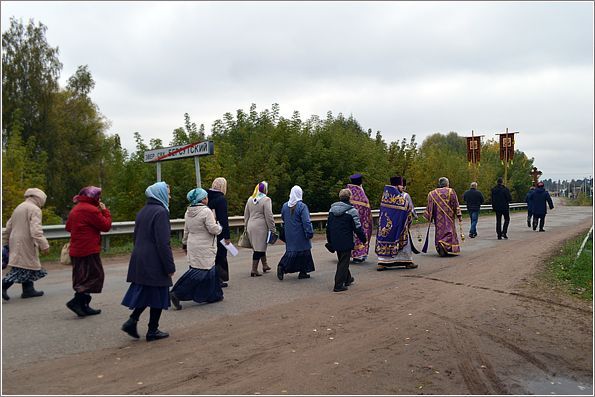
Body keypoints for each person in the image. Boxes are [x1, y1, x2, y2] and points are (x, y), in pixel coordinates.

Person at [121, 182, 176, 342]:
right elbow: (163, 242)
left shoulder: (143, 211)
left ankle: (132, 320)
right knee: (159, 293)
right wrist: (169, 265)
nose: (170, 196)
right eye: (168, 193)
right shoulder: (161, 212)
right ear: (160, 194)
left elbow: (136, 236)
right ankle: (152, 330)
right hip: (154, 259)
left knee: (147, 291)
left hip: (140, 256)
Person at [169, 188, 223, 310]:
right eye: (206, 197)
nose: (207, 199)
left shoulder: (188, 212)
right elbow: (212, 229)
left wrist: (184, 243)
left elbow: (186, 230)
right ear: (203, 199)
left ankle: (214, 295)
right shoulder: (206, 211)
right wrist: (219, 227)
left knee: (209, 270)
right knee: (201, 271)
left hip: (193, 243)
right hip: (205, 245)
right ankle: (177, 293)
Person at [64, 186, 112, 317]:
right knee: (95, 276)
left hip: (77, 249)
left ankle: (84, 306)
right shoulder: (91, 210)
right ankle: (76, 301)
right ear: (93, 197)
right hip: (89, 249)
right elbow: (106, 226)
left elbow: (68, 227)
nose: (99, 199)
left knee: (82, 277)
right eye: (98, 196)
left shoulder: (76, 208)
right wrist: (105, 211)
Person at [2, 188, 50, 301]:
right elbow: (36, 230)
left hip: (15, 240)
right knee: (22, 267)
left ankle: (28, 289)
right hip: (26, 241)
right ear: (40, 198)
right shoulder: (35, 209)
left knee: (27, 265)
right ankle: (3, 286)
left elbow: (8, 226)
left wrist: (5, 242)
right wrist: (44, 244)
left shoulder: (19, 207)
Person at [326, 189, 367, 292]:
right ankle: (338, 285)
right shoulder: (352, 211)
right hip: (346, 239)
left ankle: (348, 279)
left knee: (342, 260)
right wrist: (363, 239)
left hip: (335, 239)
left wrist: (330, 241)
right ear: (350, 197)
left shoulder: (332, 210)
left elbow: (328, 227)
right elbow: (357, 227)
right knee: (344, 262)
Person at [376, 176, 419, 269]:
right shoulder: (404, 196)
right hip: (400, 226)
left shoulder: (385, 195)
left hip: (386, 225)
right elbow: (410, 209)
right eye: (401, 185)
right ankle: (407, 262)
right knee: (404, 242)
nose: (402, 187)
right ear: (397, 185)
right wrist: (414, 216)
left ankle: (383, 262)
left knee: (385, 240)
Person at [277, 185, 315, 280]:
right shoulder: (302, 206)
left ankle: (302, 272)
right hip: (300, 234)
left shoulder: (285, 206)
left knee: (292, 251)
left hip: (289, 233)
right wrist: (309, 232)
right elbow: (306, 221)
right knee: (303, 251)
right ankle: (282, 266)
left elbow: (283, 217)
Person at [423, 177, 463, 256]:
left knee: (439, 232)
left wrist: (429, 217)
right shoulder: (450, 191)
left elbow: (429, 207)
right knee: (449, 231)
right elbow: (455, 204)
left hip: (438, 218)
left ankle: (440, 244)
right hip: (449, 216)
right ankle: (444, 244)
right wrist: (459, 214)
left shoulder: (432, 193)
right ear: (447, 184)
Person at [244, 181, 276, 277]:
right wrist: (272, 228)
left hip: (251, 225)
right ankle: (254, 269)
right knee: (259, 249)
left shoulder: (250, 199)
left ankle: (265, 265)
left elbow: (246, 214)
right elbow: (269, 215)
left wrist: (246, 226)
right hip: (261, 227)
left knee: (259, 246)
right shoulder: (266, 200)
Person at [207, 177, 231, 288]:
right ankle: (219, 278)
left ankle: (210, 277)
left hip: (207, 230)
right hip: (219, 231)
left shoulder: (206, 196)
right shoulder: (221, 199)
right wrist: (227, 236)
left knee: (211, 255)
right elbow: (223, 219)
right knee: (221, 255)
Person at [346, 173, 373, 263]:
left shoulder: (347, 192)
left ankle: (348, 253)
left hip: (347, 220)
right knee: (360, 234)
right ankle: (358, 254)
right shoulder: (361, 195)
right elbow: (367, 209)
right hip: (360, 220)